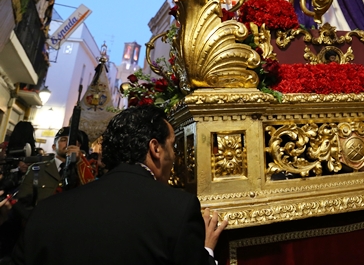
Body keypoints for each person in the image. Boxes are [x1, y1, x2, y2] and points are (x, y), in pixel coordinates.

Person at [11, 105, 227, 265]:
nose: (175, 156)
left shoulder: (47, 211)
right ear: (155, 148)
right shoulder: (178, 209)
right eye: (172, 146)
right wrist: (206, 251)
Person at [15, 127, 81, 208]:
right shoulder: (37, 169)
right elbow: (23, 202)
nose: (68, 144)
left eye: (73, 141)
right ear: (54, 146)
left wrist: (79, 162)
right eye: (63, 140)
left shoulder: (82, 170)